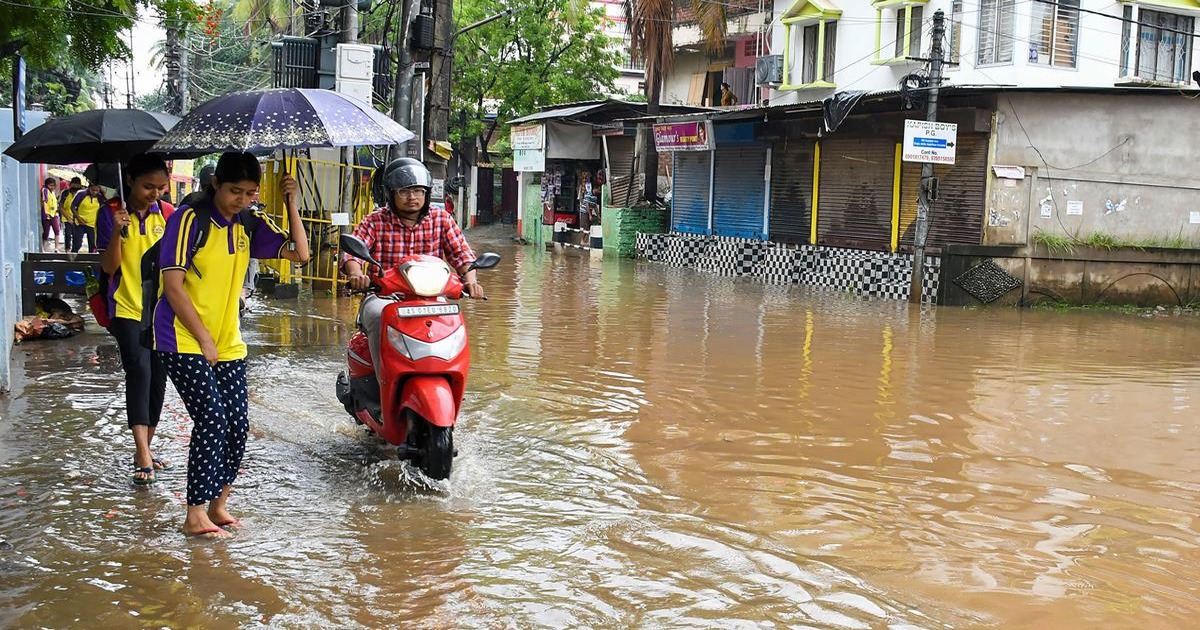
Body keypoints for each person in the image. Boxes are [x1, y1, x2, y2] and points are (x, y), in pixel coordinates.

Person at [152, 152, 309, 538]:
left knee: (237, 425)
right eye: (235, 191)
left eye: (250, 193)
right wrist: (203, 338)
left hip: (228, 341)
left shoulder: (248, 223)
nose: (241, 199)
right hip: (182, 336)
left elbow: (300, 254)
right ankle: (194, 514)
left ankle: (219, 504)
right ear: (216, 185)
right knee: (212, 419)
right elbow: (172, 286)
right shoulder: (188, 219)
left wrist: (291, 202)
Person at [342, 158, 483, 371]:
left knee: (454, 322)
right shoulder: (375, 221)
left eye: (418, 191)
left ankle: (451, 378)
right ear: (391, 194)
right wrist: (356, 275)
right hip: (384, 297)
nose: (412, 197)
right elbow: (353, 252)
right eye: (404, 191)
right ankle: (385, 381)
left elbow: (462, 255)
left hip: (433, 299)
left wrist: (471, 281)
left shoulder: (441, 219)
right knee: (379, 317)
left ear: (426, 194)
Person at [95, 154, 172, 486]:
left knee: (157, 379)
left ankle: (146, 448)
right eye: (147, 187)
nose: (155, 193)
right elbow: (109, 267)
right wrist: (116, 232)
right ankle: (142, 453)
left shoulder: (169, 215)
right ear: (129, 182)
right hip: (125, 307)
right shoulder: (109, 213)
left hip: (162, 312)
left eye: (160, 187)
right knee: (138, 371)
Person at [71, 181, 105, 253]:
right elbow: (73, 207)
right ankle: (73, 257)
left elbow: (104, 207)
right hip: (80, 222)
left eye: (97, 190)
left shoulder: (100, 197)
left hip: (93, 224)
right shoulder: (81, 194)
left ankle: (91, 261)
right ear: (89, 188)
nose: (94, 192)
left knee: (93, 244)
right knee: (77, 243)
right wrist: (79, 219)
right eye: (93, 190)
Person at [59, 177, 83, 252]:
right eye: (74, 184)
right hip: (66, 218)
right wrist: (68, 218)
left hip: (78, 219)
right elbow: (60, 207)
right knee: (68, 234)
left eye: (77, 185)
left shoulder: (82, 194)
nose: (75, 187)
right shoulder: (65, 193)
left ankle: (74, 251)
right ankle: (67, 250)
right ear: (71, 184)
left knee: (77, 237)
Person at [41, 178, 61, 252]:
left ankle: (56, 248)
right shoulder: (45, 190)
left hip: (54, 214)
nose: (52, 187)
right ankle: (43, 246)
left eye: (53, 185)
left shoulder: (53, 192)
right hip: (47, 214)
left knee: (57, 230)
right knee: (46, 232)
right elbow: (44, 202)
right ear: (47, 185)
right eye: (50, 185)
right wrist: (46, 213)